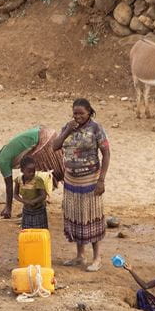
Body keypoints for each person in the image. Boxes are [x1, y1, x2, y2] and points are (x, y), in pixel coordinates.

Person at [52, 99, 111, 272]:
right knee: (75, 217)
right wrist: (68, 130)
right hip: (71, 180)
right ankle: (80, 256)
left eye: (81, 113)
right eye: (75, 113)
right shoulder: (67, 127)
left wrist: (101, 180)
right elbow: (55, 146)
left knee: (92, 218)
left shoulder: (96, 129)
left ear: (89, 113)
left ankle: (97, 258)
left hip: (90, 180)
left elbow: (106, 154)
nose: (77, 116)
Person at [0, 126, 64, 219]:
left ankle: (33, 210)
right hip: (47, 134)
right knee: (43, 174)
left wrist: (8, 208)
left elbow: (9, 186)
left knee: (35, 177)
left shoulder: (2, 161)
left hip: (44, 140)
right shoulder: (4, 152)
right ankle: (35, 207)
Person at [14, 156, 48, 229]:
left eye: (34, 171)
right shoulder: (18, 180)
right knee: (27, 231)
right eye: (29, 171)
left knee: (39, 231)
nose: (32, 173)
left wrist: (33, 201)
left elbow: (43, 195)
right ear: (22, 170)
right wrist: (25, 201)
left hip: (38, 210)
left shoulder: (38, 180)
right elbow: (15, 195)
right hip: (26, 210)